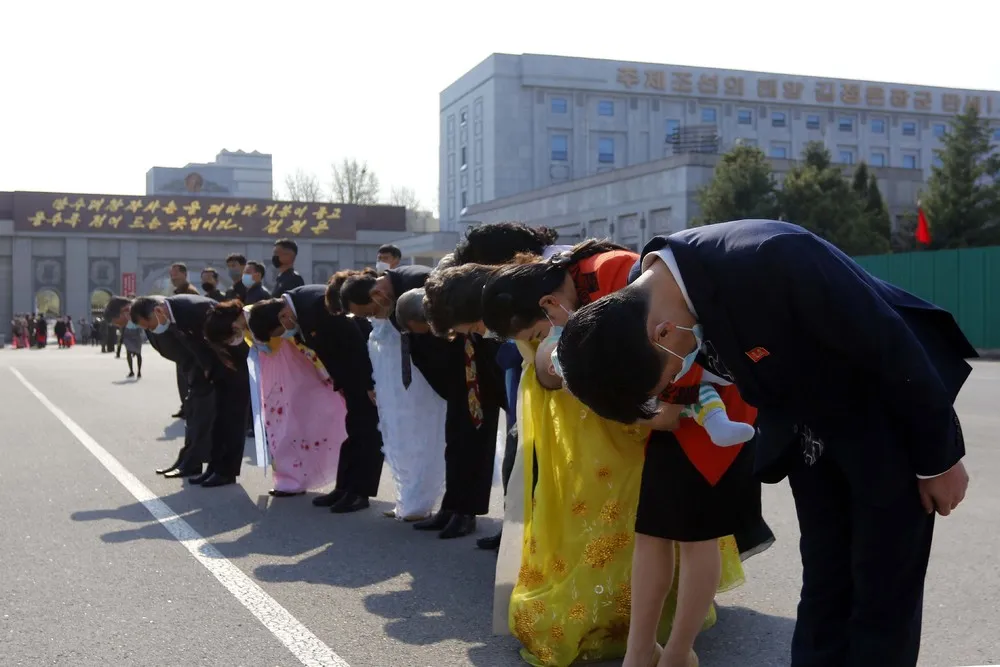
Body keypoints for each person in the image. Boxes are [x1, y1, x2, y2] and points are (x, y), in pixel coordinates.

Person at [556, 220, 975, 667]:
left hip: (886, 422)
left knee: (883, 591)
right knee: (824, 582)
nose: (680, 377)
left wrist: (938, 459)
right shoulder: (650, 296)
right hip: (809, 435)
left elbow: (892, 345)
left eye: (670, 373)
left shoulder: (771, 257)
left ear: (660, 333)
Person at [480, 240, 755, 667]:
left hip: (703, 409)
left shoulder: (615, 272)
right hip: (661, 410)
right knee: (652, 534)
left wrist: (661, 407)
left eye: (541, 330)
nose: (548, 337)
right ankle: (640, 651)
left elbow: (680, 339)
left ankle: (678, 652)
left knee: (696, 537)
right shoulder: (581, 288)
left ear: (550, 303)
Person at [340, 266, 450, 527]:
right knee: (398, 438)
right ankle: (407, 499)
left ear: (376, 296)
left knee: (421, 438)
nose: (368, 317)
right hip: (391, 392)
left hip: (419, 387)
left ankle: (421, 502)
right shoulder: (381, 311)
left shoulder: (411, 294)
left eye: (367, 312)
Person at [131, 293, 250, 488]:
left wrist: (218, 367)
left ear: (158, 311)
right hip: (216, 367)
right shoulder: (173, 316)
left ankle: (227, 471)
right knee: (218, 420)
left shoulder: (194, 309)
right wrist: (206, 369)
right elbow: (196, 346)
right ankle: (214, 467)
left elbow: (221, 337)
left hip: (234, 362)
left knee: (233, 418)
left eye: (150, 325)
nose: (153, 330)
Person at [105, 296, 215, 480]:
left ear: (125, 310)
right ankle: (189, 460)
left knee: (202, 416)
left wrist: (203, 368)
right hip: (191, 368)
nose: (123, 327)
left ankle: (197, 462)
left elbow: (188, 341)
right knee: (194, 413)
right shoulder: (143, 316)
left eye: (121, 323)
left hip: (202, 367)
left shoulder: (156, 310)